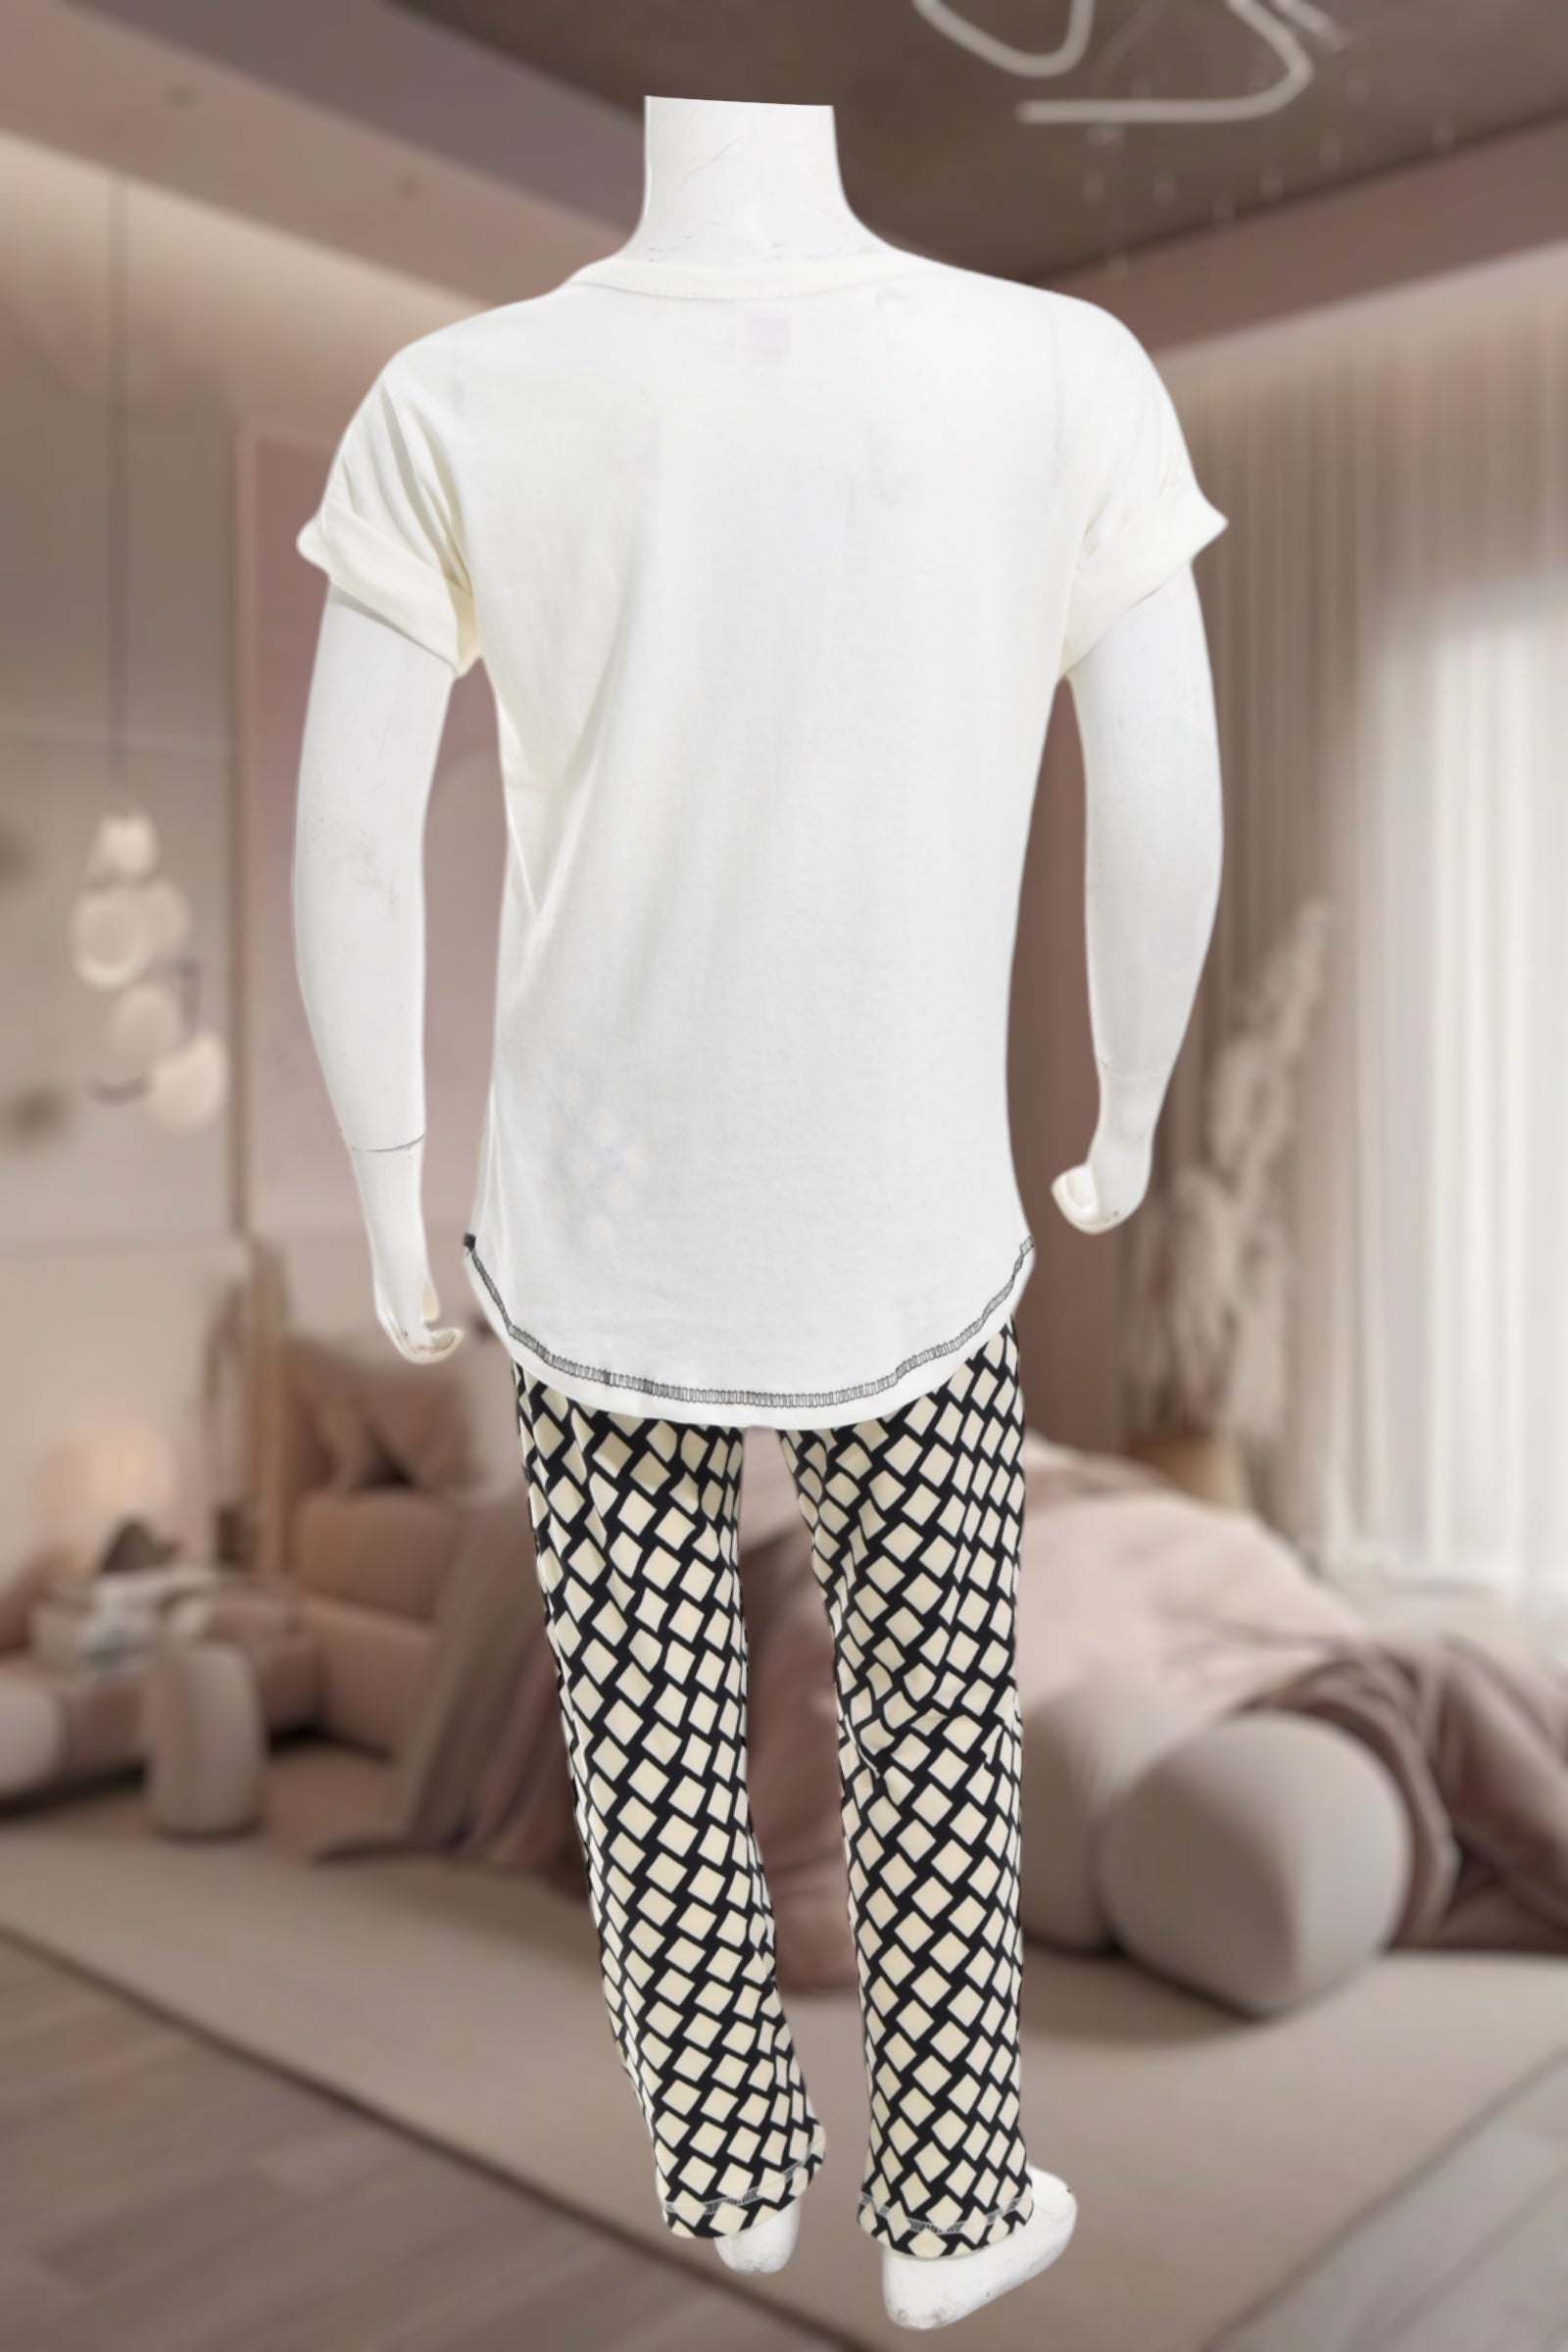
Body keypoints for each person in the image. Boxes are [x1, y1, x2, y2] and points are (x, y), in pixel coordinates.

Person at [293, 95, 1224, 2330]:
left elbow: (346, 841)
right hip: (915, 1218)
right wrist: (1127, 1104)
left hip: (591, 1219)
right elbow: (1161, 799)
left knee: (654, 1751)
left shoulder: (458, 397)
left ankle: (727, 2164)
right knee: (936, 1748)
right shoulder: (1058, 371)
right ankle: (952, 2204)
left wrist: (390, 1192)